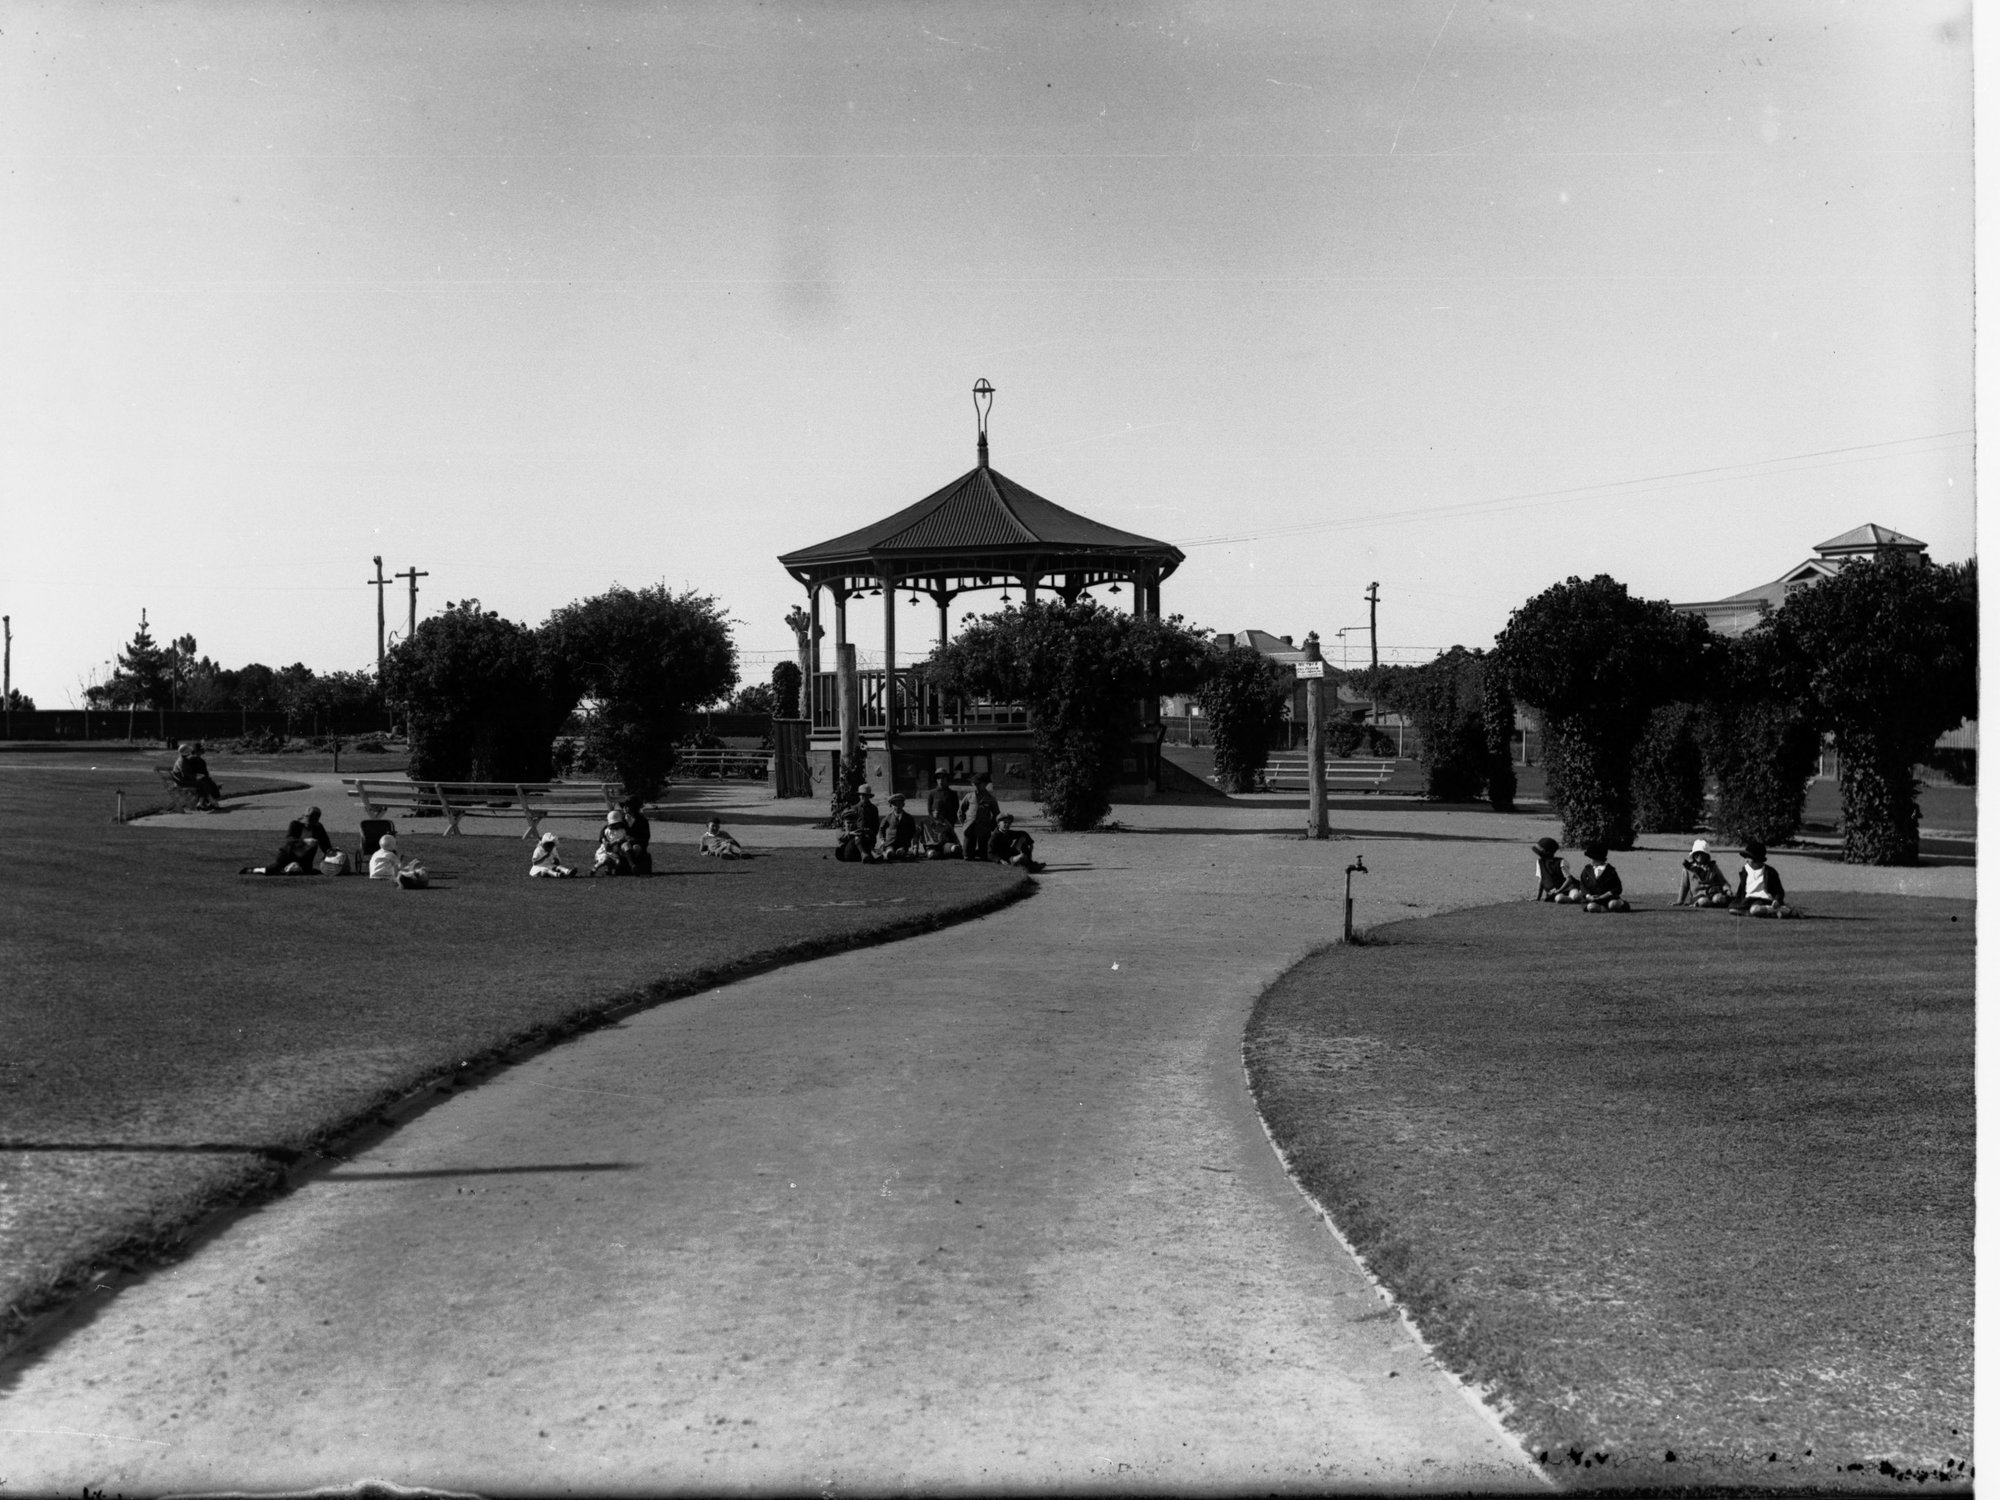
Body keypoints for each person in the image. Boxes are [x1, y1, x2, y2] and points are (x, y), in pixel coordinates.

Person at [1731, 839, 1799, 918]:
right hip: (1748, 900)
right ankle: (1771, 912)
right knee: (1732, 909)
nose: (1746, 860)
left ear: (1757, 859)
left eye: (1749, 857)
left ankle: (1780, 909)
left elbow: (1779, 891)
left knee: (1755, 909)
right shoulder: (1745, 871)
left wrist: (1776, 900)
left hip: (1763, 900)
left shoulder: (1769, 872)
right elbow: (1742, 890)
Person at [241, 819, 321, 876]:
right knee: (271, 870)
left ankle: (292, 868)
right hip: (288, 854)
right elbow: (290, 839)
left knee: (307, 871)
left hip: (303, 858)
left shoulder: (318, 828)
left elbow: (325, 843)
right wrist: (304, 841)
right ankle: (251, 870)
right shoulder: (295, 824)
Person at [1576, 841, 1630, 913]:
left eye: (1591, 858)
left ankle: (1621, 905)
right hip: (1593, 900)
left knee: (1612, 904)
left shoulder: (1610, 871)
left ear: (1597, 858)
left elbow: (1617, 888)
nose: (1590, 860)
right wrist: (1588, 896)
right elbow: (1583, 885)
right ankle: (1605, 909)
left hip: (1608, 899)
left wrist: (1602, 896)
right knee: (1591, 907)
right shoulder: (1586, 870)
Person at [1676, 838, 1730, 908]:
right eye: (1697, 854)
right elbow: (1684, 886)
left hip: (1713, 893)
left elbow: (1722, 881)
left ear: (1706, 855)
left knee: (1718, 898)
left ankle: (1718, 902)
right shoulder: (1688, 869)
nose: (1699, 856)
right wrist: (1680, 901)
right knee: (1703, 901)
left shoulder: (1713, 867)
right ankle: (1710, 904)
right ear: (1693, 855)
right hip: (1698, 897)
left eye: (1702, 854)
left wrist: (1727, 890)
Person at [172, 741, 223, 811]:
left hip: (181, 780)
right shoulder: (183, 761)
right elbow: (186, 774)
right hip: (183, 782)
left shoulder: (182, 760)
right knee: (203, 784)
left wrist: (197, 776)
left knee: (202, 783)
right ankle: (212, 803)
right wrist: (196, 776)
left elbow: (185, 773)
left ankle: (203, 803)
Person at [925, 772, 964, 858]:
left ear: (947, 780)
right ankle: (935, 850)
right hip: (935, 824)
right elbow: (929, 809)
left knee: (949, 841)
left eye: (943, 778)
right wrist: (933, 821)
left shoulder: (952, 794)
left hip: (948, 822)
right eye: (938, 779)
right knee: (935, 841)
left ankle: (948, 849)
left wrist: (952, 821)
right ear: (936, 780)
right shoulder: (932, 793)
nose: (941, 781)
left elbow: (956, 809)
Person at [962, 773, 1000, 861]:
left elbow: (996, 814)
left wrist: (992, 826)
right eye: (975, 784)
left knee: (984, 853)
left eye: (979, 784)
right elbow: (961, 811)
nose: (977, 786)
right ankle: (968, 854)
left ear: (985, 784)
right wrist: (964, 823)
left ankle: (982, 854)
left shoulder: (990, 798)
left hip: (984, 827)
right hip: (970, 826)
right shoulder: (969, 796)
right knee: (967, 853)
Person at [1530, 837, 1580, 903]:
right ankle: (1572, 899)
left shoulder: (1561, 862)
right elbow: (1541, 879)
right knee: (1559, 899)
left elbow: (1569, 879)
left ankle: (1580, 895)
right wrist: (1538, 898)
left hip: (1570, 888)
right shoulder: (1540, 862)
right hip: (1556, 893)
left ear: (1547, 852)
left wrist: (1559, 890)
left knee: (1575, 896)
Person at [877, 792, 920, 861]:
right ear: (891, 806)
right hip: (890, 842)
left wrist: (913, 844)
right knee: (890, 852)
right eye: (895, 804)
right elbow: (881, 829)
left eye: (899, 804)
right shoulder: (887, 818)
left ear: (903, 804)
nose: (897, 806)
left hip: (903, 843)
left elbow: (913, 830)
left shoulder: (909, 818)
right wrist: (882, 840)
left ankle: (901, 852)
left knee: (900, 852)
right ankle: (889, 852)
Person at [594, 810, 635, 876]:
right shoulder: (607, 830)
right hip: (611, 850)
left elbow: (629, 837)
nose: (616, 826)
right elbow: (604, 841)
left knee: (619, 859)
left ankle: (632, 865)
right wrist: (609, 842)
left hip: (620, 849)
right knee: (607, 859)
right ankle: (604, 869)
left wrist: (622, 841)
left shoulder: (624, 828)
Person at [620, 796, 653, 876]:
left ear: (633, 807)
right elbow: (609, 829)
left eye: (626, 806)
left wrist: (634, 840)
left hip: (638, 845)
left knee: (636, 847)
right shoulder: (620, 819)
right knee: (626, 845)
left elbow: (646, 837)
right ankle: (633, 866)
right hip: (623, 845)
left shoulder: (642, 821)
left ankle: (633, 867)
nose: (624, 808)